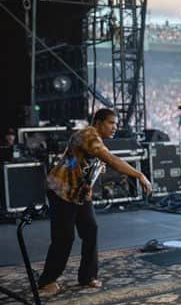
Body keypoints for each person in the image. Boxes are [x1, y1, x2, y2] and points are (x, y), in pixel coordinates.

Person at [38, 109, 152, 295]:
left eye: (116, 123)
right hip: (61, 190)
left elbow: (87, 164)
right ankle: (46, 281)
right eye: (111, 123)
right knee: (64, 238)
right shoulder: (88, 136)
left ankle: (87, 276)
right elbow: (112, 160)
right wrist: (139, 174)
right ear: (98, 123)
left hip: (80, 193)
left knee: (90, 230)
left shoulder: (95, 139)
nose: (115, 127)